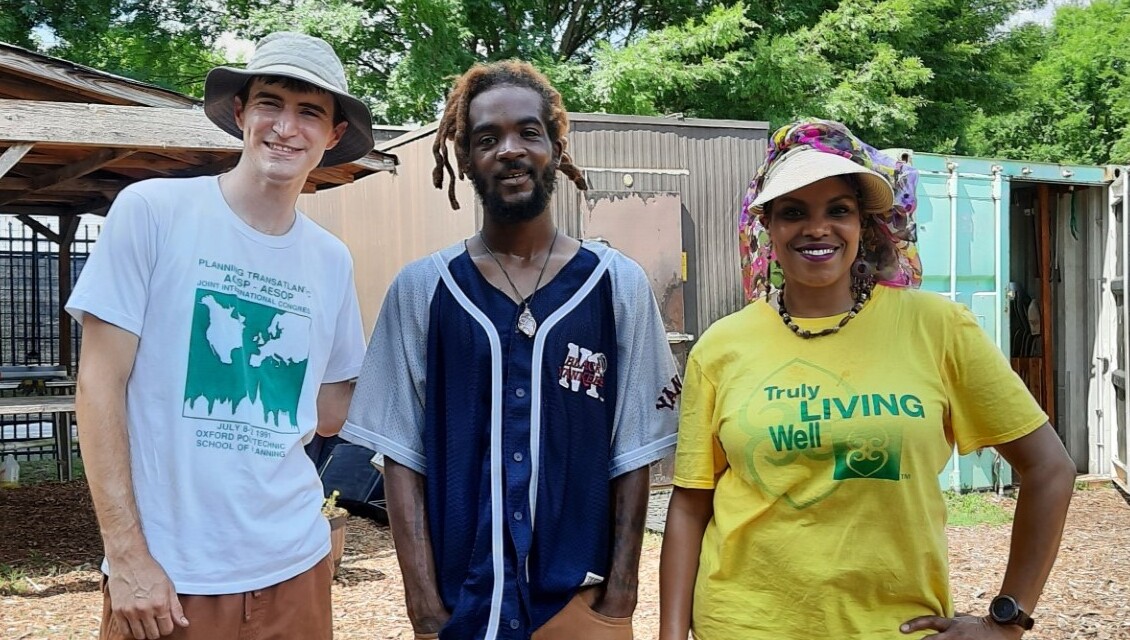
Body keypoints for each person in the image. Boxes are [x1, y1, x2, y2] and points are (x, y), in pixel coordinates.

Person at [658, 119, 1076, 640]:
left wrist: (1006, 621)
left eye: (839, 210)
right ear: (766, 225)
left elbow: (1049, 470)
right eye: (793, 212)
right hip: (742, 623)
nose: (817, 228)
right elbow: (691, 502)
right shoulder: (722, 346)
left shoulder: (937, 328)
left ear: (864, 225)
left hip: (894, 626)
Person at [341, 60, 681, 640]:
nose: (509, 150)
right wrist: (422, 602)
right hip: (462, 606)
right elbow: (400, 455)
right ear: (463, 156)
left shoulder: (615, 283)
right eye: (485, 138)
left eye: (528, 132)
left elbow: (635, 448)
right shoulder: (424, 288)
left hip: (580, 601)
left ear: (555, 145)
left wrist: (621, 593)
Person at [67, 32, 373, 640]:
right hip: (171, 579)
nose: (286, 127)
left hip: (296, 565)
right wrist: (126, 557)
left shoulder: (330, 260)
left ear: (334, 134)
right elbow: (99, 386)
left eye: (310, 112)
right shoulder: (152, 212)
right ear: (241, 112)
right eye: (271, 103)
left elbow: (332, 411)